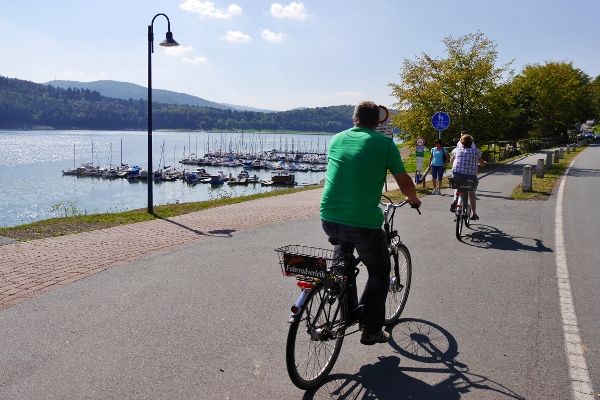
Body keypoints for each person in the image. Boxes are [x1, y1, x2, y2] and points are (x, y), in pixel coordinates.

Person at [320, 100, 421, 345]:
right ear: (378, 122)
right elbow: (404, 181)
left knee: (342, 263)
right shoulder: (385, 144)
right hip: (364, 223)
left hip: (329, 217)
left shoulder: (336, 140)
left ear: (354, 119)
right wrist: (414, 199)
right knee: (379, 271)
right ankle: (371, 330)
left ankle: (346, 305)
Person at [449, 132, 487, 220]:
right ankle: (474, 213)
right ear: (471, 143)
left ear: (461, 143)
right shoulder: (476, 151)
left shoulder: (456, 150)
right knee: (471, 193)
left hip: (457, 175)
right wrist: (484, 163)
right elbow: (481, 164)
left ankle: (455, 200)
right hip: (470, 177)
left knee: (457, 186)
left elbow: (451, 162)